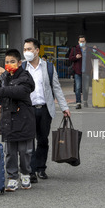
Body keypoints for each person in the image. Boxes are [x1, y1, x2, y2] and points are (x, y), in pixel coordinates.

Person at [0, 49, 36, 192]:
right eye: (6, 62)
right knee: (10, 152)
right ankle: (12, 177)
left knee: (24, 151)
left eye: (12, 62)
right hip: (8, 119)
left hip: (23, 120)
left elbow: (14, 91)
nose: (9, 64)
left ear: (19, 63)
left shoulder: (25, 77)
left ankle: (25, 174)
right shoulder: (5, 75)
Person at [23, 38, 71, 182]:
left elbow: (56, 88)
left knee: (43, 140)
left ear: (37, 50)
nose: (27, 52)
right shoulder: (22, 67)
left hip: (44, 109)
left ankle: (41, 168)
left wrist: (65, 107)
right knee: (29, 141)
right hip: (28, 109)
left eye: (29, 49)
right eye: (25, 49)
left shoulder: (49, 67)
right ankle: (30, 171)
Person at [69, 35, 95, 109]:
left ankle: (85, 101)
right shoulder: (75, 49)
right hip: (77, 72)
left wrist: (96, 51)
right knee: (77, 87)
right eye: (80, 41)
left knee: (86, 88)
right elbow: (70, 58)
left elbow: (95, 56)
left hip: (86, 72)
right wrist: (75, 57)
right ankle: (78, 102)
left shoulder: (89, 49)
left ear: (85, 42)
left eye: (83, 41)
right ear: (78, 42)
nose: (82, 42)